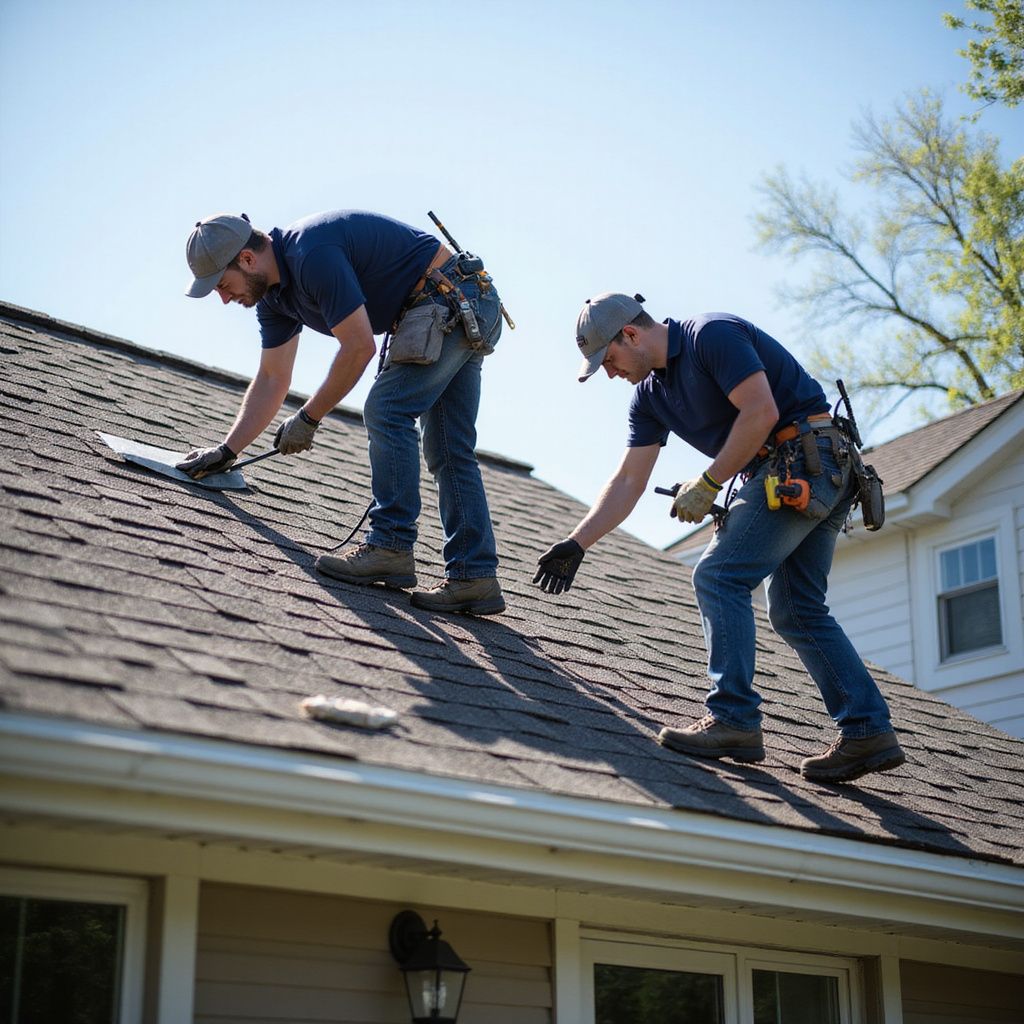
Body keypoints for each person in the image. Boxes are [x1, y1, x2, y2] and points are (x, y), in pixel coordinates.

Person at [533, 293, 905, 784]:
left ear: (630, 334)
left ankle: (733, 719)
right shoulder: (649, 398)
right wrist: (577, 542)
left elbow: (760, 411)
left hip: (809, 459)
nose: (609, 372)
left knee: (718, 575)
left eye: (609, 360)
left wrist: (708, 483)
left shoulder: (710, 334)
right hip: (797, 471)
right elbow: (628, 481)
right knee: (796, 609)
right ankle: (867, 730)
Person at [179, 209, 506, 615]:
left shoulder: (311, 254)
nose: (226, 299)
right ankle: (474, 577)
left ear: (247, 259)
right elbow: (271, 378)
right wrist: (228, 452)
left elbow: (359, 348)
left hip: (452, 297)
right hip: (457, 302)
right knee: (448, 447)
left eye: (223, 286)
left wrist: (309, 418)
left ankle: (390, 545)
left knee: (387, 411)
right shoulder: (274, 298)